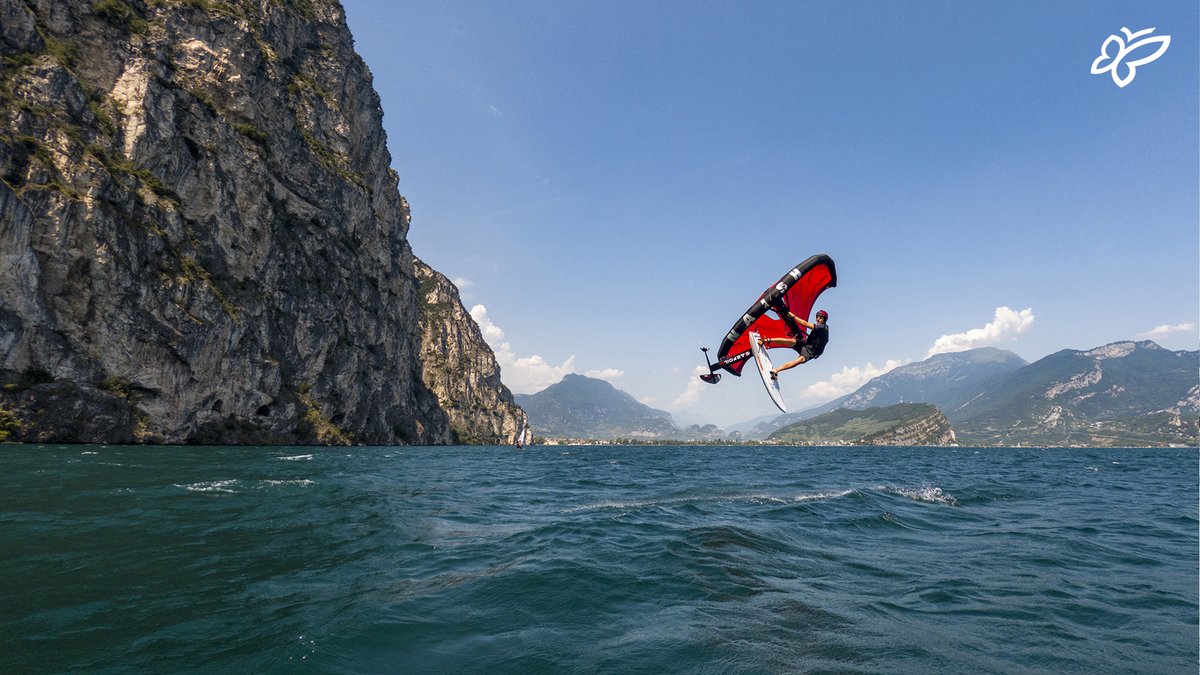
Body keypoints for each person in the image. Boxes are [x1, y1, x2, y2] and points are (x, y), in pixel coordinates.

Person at [758, 308, 829, 380]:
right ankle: (765, 340)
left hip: (811, 352)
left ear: (824, 320)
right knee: (790, 341)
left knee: (799, 360)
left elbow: (804, 323)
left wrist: (794, 317)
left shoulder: (822, 327)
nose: (817, 319)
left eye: (820, 318)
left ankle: (776, 370)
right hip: (805, 344)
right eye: (817, 317)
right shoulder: (820, 327)